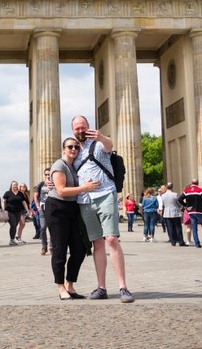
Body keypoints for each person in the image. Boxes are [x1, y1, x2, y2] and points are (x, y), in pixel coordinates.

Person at [71, 115, 134, 303]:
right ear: (73, 131)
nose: (81, 131)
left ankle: (123, 287)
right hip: (85, 200)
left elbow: (110, 145)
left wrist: (101, 137)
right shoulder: (74, 151)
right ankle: (101, 287)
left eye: (83, 127)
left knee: (112, 239)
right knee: (97, 243)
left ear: (88, 126)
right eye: (77, 128)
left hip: (106, 194)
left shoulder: (98, 144)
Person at [46, 137, 100, 300]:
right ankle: (60, 286)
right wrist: (84, 188)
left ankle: (70, 284)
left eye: (76, 146)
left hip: (73, 208)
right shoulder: (59, 165)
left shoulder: (75, 165)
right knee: (60, 249)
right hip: (57, 208)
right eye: (70, 146)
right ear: (63, 149)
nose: (74, 149)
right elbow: (61, 190)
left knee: (80, 248)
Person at [179, 179, 202, 248]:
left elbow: (179, 199)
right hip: (199, 211)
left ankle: (197, 243)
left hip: (191, 211)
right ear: (197, 183)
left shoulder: (187, 191)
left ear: (191, 183)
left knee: (194, 228)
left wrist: (186, 205)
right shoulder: (200, 190)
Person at [3, 180, 32, 245]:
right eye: (13, 185)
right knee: (13, 224)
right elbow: (4, 201)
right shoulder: (8, 193)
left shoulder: (20, 193)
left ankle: (13, 239)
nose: (14, 186)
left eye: (16, 185)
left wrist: (27, 210)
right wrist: (3, 209)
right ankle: (12, 240)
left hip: (18, 212)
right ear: (11, 186)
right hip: (10, 211)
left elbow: (24, 202)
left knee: (15, 225)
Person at [34, 170, 52, 253]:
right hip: (42, 208)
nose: (47, 175)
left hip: (52, 208)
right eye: (46, 174)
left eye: (49, 174)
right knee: (43, 227)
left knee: (52, 228)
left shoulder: (54, 183)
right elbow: (35, 195)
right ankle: (44, 246)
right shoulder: (41, 184)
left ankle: (52, 247)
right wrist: (37, 206)